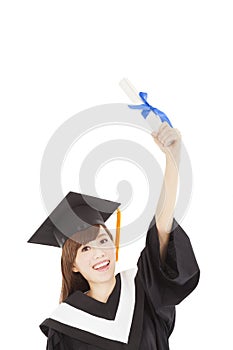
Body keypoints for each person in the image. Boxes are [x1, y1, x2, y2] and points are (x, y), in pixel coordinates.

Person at [28, 122, 200, 349]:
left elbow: (161, 225)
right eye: (85, 248)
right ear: (73, 265)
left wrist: (172, 159)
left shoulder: (143, 289)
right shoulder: (64, 327)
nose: (99, 253)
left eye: (102, 240)